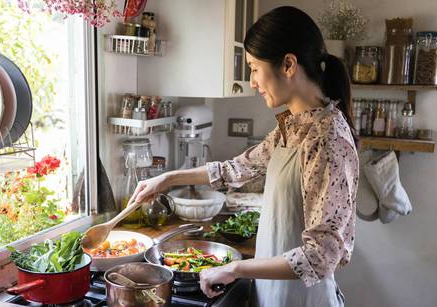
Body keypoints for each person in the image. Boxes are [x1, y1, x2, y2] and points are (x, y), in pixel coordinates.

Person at [128, 6, 359, 307]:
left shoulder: (328, 139)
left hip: (303, 300)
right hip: (272, 294)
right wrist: (167, 179)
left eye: (254, 68)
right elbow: (236, 169)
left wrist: (233, 267)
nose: (252, 81)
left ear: (288, 64)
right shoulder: (294, 125)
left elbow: (320, 256)